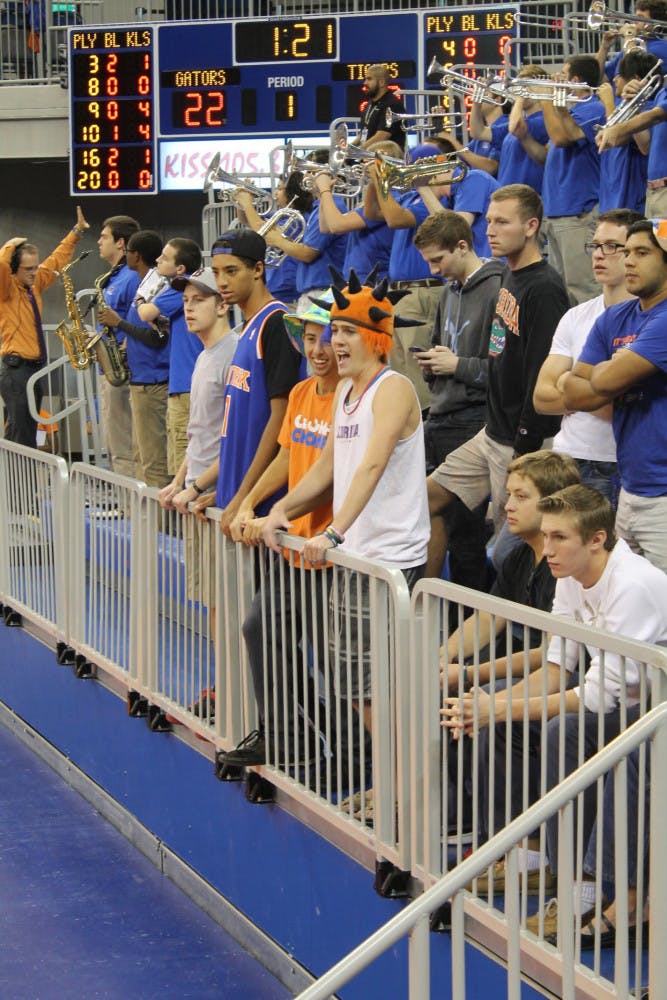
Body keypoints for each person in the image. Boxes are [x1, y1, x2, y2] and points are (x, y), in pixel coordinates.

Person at [442, 484, 667, 927]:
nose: (548, 550)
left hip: (653, 715)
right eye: (546, 537)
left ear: (597, 539)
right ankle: (569, 882)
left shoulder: (632, 585)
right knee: (560, 729)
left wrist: (498, 709)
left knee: (625, 751)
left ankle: (616, 897)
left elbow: (599, 697)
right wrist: (488, 704)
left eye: (559, 537)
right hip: (639, 708)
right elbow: (554, 668)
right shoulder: (570, 576)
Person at [261, 267, 430, 739]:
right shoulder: (346, 393)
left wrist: (332, 530)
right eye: (335, 329)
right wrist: (282, 509)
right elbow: (328, 467)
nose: (336, 341)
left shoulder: (393, 388)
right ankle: (391, 789)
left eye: (348, 331)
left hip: (388, 557)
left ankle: (400, 798)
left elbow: (371, 467)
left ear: (377, 337)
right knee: (356, 684)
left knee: (378, 687)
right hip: (355, 554)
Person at [217, 298, 340, 769]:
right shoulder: (303, 392)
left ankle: (353, 753)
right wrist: (249, 501)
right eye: (309, 339)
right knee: (260, 629)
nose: (318, 348)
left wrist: (274, 512)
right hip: (294, 546)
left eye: (327, 338)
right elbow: (287, 458)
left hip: (329, 548)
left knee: (331, 660)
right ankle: (288, 740)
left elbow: (331, 476)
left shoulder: (354, 398)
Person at [426, 184, 569, 578]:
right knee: (426, 498)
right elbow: (499, 348)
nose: (489, 230)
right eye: (488, 220)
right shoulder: (508, 273)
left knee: (515, 554)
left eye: (501, 222)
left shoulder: (545, 288)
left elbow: (541, 375)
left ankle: (518, 633)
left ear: (531, 226)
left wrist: (523, 451)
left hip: (520, 443)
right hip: (491, 433)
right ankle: (422, 609)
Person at [176, 229, 303, 535]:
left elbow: (280, 419)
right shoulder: (247, 328)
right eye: (217, 272)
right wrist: (224, 493)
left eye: (231, 271)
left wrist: (246, 495)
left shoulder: (276, 323)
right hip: (236, 493)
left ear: (258, 269)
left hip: (259, 505)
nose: (222, 282)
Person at [562, 218, 667, 572]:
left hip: (664, 496)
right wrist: (617, 368)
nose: (629, 262)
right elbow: (573, 390)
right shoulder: (615, 317)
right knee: (629, 607)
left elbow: (601, 383)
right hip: (630, 488)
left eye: (642, 253)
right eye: (627, 252)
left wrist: (607, 374)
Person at [412, 210, 505, 586]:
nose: (435, 270)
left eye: (439, 259)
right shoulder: (448, 291)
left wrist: (458, 365)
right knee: (443, 531)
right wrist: (432, 368)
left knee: (467, 537)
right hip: (442, 415)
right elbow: (441, 346)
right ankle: (454, 626)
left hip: (474, 420)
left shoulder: (500, 288)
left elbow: (506, 371)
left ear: (463, 246)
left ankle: (473, 635)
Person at [441, 450, 581, 690]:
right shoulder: (518, 556)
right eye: (509, 495)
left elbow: (553, 654)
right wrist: (445, 654)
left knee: (480, 691)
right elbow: (489, 617)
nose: (508, 506)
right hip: (529, 662)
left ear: (553, 503)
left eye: (521, 497)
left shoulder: (567, 567)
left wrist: (469, 674)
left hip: (570, 675)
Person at [533, 208, 645, 504]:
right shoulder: (576, 316)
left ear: (637, 254)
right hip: (566, 458)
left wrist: (568, 381)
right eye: (595, 245)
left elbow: (616, 410)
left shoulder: (652, 319)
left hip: (615, 464)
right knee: (512, 550)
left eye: (611, 247)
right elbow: (541, 397)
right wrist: (589, 390)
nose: (598, 254)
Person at [158, 267, 238, 667]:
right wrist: (179, 481)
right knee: (211, 601)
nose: (188, 309)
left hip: (215, 499)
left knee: (226, 604)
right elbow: (200, 434)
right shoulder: (204, 355)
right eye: (186, 301)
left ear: (223, 305)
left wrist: (199, 485)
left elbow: (236, 440)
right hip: (196, 497)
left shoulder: (233, 355)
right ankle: (223, 690)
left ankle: (232, 699)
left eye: (198, 301)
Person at [364, 142, 446, 412]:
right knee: (399, 366)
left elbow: (394, 219)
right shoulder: (410, 197)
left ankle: (425, 424)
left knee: (416, 367)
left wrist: (381, 176)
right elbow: (372, 213)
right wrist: (372, 182)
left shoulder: (434, 201)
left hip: (421, 291)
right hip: (401, 293)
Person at [0, 206, 88, 447]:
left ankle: (16, 483)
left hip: (33, 371)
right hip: (15, 371)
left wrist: (76, 232)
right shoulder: (6, 291)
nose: (33, 272)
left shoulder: (35, 284)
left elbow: (56, 260)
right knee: (22, 433)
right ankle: (18, 484)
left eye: (35, 267)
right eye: (27, 269)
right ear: (13, 270)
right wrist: (10, 246)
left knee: (26, 430)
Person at [98, 229, 170, 488]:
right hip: (140, 378)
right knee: (141, 458)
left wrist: (119, 324)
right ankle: (142, 522)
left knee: (153, 462)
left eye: (127, 252)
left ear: (135, 255)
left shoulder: (156, 287)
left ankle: (159, 527)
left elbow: (157, 337)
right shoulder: (143, 284)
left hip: (153, 380)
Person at [541, 56, 606, 305]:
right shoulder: (568, 111)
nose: (558, 77)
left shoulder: (592, 106)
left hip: (577, 211)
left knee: (582, 293)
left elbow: (561, 138)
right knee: (562, 296)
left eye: (563, 73)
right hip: (558, 212)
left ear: (575, 80)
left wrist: (547, 97)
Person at [137, 237, 203, 477]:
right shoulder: (184, 291)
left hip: (186, 386)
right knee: (177, 460)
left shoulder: (182, 287)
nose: (157, 261)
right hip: (182, 384)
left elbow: (145, 313)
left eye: (164, 258)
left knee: (184, 465)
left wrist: (141, 298)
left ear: (180, 269)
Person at [95, 214, 140, 477]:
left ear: (121, 242)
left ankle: (130, 509)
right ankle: (123, 502)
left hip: (122, 369)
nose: (99, 241)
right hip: (108, 368)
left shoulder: (130, 278)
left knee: (123, 441)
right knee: (113, 440)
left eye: (104, 236)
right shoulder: (113, 277)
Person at [596, 75, 667, 217]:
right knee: (659, 239)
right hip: (654, 192)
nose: (615, 78)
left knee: (663, 239)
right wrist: (634, 107)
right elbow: (645, 146)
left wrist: (617, 129)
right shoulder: (662, 91)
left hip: (664, 194)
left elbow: (656, 115)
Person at [595, 0, 667, 83]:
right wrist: (604, 48)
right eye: (636, 16)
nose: (634, 21)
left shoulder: (662, 47)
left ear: (655, 23)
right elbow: (598, 79)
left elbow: (632, 78)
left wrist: (629, 36)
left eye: (641, 17)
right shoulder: (633, 45)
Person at [354, 62, 406, 151]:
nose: (365, 83)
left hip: (386, 158)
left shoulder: (392, 105)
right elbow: (363, 133)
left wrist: (357, 151)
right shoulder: (370, 104)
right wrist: (349, 148)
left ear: (381, 82)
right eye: (365, 79)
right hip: (367, 156)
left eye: (369, 79)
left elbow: (382, 136)